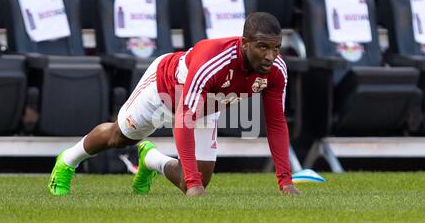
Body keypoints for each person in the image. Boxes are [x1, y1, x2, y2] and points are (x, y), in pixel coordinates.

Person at [48, 12, 300, 197]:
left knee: (201, 180)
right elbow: (184, 118)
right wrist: (192, 185)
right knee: (119, 137)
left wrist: (285, 182)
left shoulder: (276, 69)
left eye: (276, 48)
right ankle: (68, 160)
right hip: (163, 92)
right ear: (244, 43)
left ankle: (150, 159)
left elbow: (276, 123)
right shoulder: (212, 62)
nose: (270, 56)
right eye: (262, 47)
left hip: (205, 107)